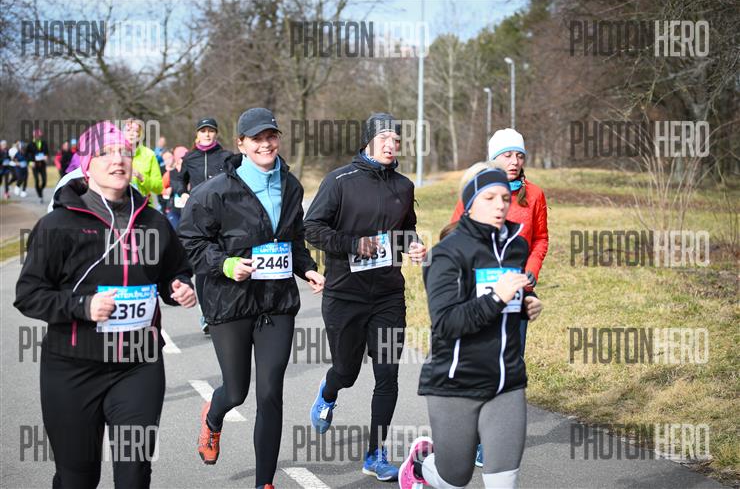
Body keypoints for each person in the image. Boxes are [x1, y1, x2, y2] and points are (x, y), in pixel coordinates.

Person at [15, 121, 196, 488]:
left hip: (139, 366)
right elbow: (29, 294)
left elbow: (174, 271)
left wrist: (180, 288)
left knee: (134, 473)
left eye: (124, 152)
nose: (118, 160)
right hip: (73, 369)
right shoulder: (57, 225)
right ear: (86, 164)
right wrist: (83, 306)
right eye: (105, 153)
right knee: (78, 477)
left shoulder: (154, 222)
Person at [177, 107, 324, 489]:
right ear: (241, 144)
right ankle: (213, 416)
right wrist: (226, 264)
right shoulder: (214, 192)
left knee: (271, 391)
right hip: (231, 301)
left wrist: (307, 268)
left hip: (277, 302)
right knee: (237, 390)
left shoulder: (291, 186)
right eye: (256, 138)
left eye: (271, 136)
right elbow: (190, 242)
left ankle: (264, 483)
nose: (265, 144)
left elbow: (292, 239)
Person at [398, 167, 544, 489]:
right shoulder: (445, 255)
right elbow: (447, 323)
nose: (500, 205)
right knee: (454, 479)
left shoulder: (516, 248)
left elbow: (508, 300)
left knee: (503, 482)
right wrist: (497, 298)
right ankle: (421, 466)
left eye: (504, 198)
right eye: (489, 197)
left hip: (506, 381)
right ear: (469, 203)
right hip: (456, 382)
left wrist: (526, 305)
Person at [304, 112, 427, 482]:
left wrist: (414, 245)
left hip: (388, 294)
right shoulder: (340, 181)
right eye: (384, 138)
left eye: (396, 139)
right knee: (347, 370)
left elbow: (406, 229)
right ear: (368, 141)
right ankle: (328, 392)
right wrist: (353, 244)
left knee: (387, 374)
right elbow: (312, 228)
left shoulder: (403, 186)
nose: (391, 145)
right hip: (345, 294)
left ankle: (375, 454)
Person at [449, 129, 548, 468]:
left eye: (519, 155)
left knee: (509, 365)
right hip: (479, 295)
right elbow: (454, 234)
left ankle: (489, 439)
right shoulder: (477, 188)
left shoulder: (534, 194)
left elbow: (541, 239)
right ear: (493, 158)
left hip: (517, 294)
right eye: (507, 155)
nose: (514, 161)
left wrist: (530, 272)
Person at [174, 117, 232, 334]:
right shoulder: (190, 158)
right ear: (197, 134)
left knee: (223, 260)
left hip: (223, 214)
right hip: (198, 216)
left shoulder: (226, 156)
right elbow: (179, 180)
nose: (207, 134)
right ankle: (206, 314)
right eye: (203, 130)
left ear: (216, 133)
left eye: (211, 130)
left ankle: (225, 308)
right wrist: (182, 192)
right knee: (202, 264)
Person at [123, 119, 163, 208]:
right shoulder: (114, 153)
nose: (131, 134)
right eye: (128, 130)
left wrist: (141, 177)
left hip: (143, 206)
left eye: (135, 131)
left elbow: (159, 188)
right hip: (120, 206)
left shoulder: (149, 154)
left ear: (140, 135)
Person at [27, 128, 49, 203]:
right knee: (37, 180)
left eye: (39, 136)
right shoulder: (30, 145)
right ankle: (40, 196)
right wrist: (30, 162)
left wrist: (46, 157)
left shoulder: (44, 143)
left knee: (44, 181)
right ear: (33, 136)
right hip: (34, 165)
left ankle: (40, 190)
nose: (37, 137)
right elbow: (27, 155)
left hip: (42, 164)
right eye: (36, 136)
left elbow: (47, 153)